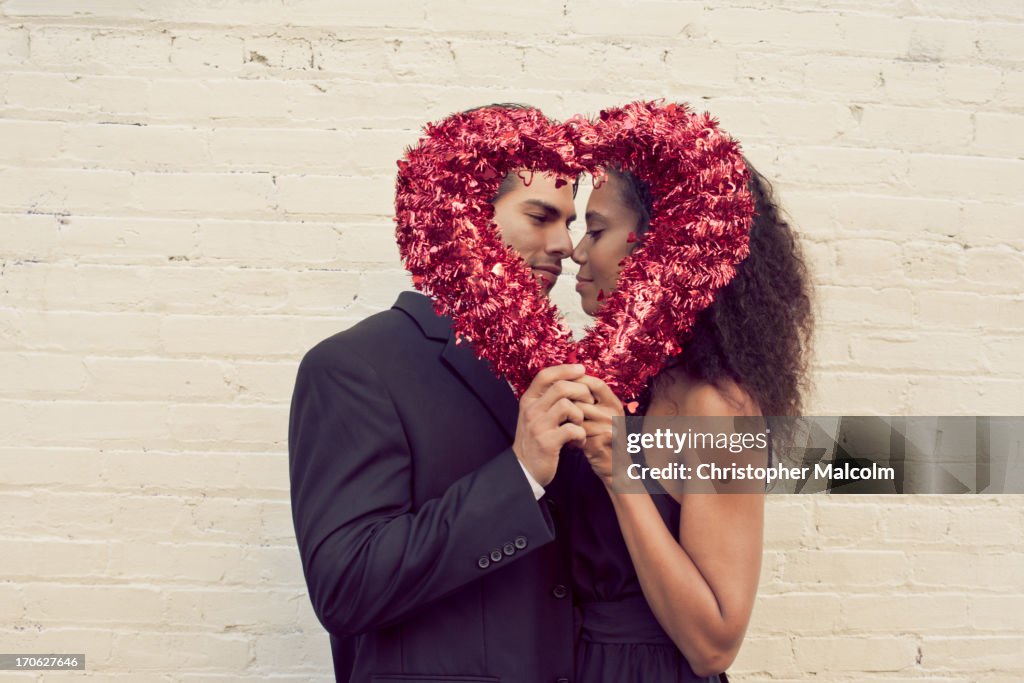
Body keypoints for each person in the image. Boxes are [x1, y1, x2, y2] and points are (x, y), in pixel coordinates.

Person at [288, 104, 589, 682]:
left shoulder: (558, 372)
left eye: (573, 223)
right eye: (540, 216)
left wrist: (794, 450)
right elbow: (345, 587)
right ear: (462, 214)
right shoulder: (353, 367)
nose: (566, 245)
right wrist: (519, 474)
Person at [565, 163, 814, 682]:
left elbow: (715, 644)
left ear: (663, 248)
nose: (577, 252)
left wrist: (618, 473)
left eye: (596, 230)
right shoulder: (628, 383)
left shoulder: (715, 407)